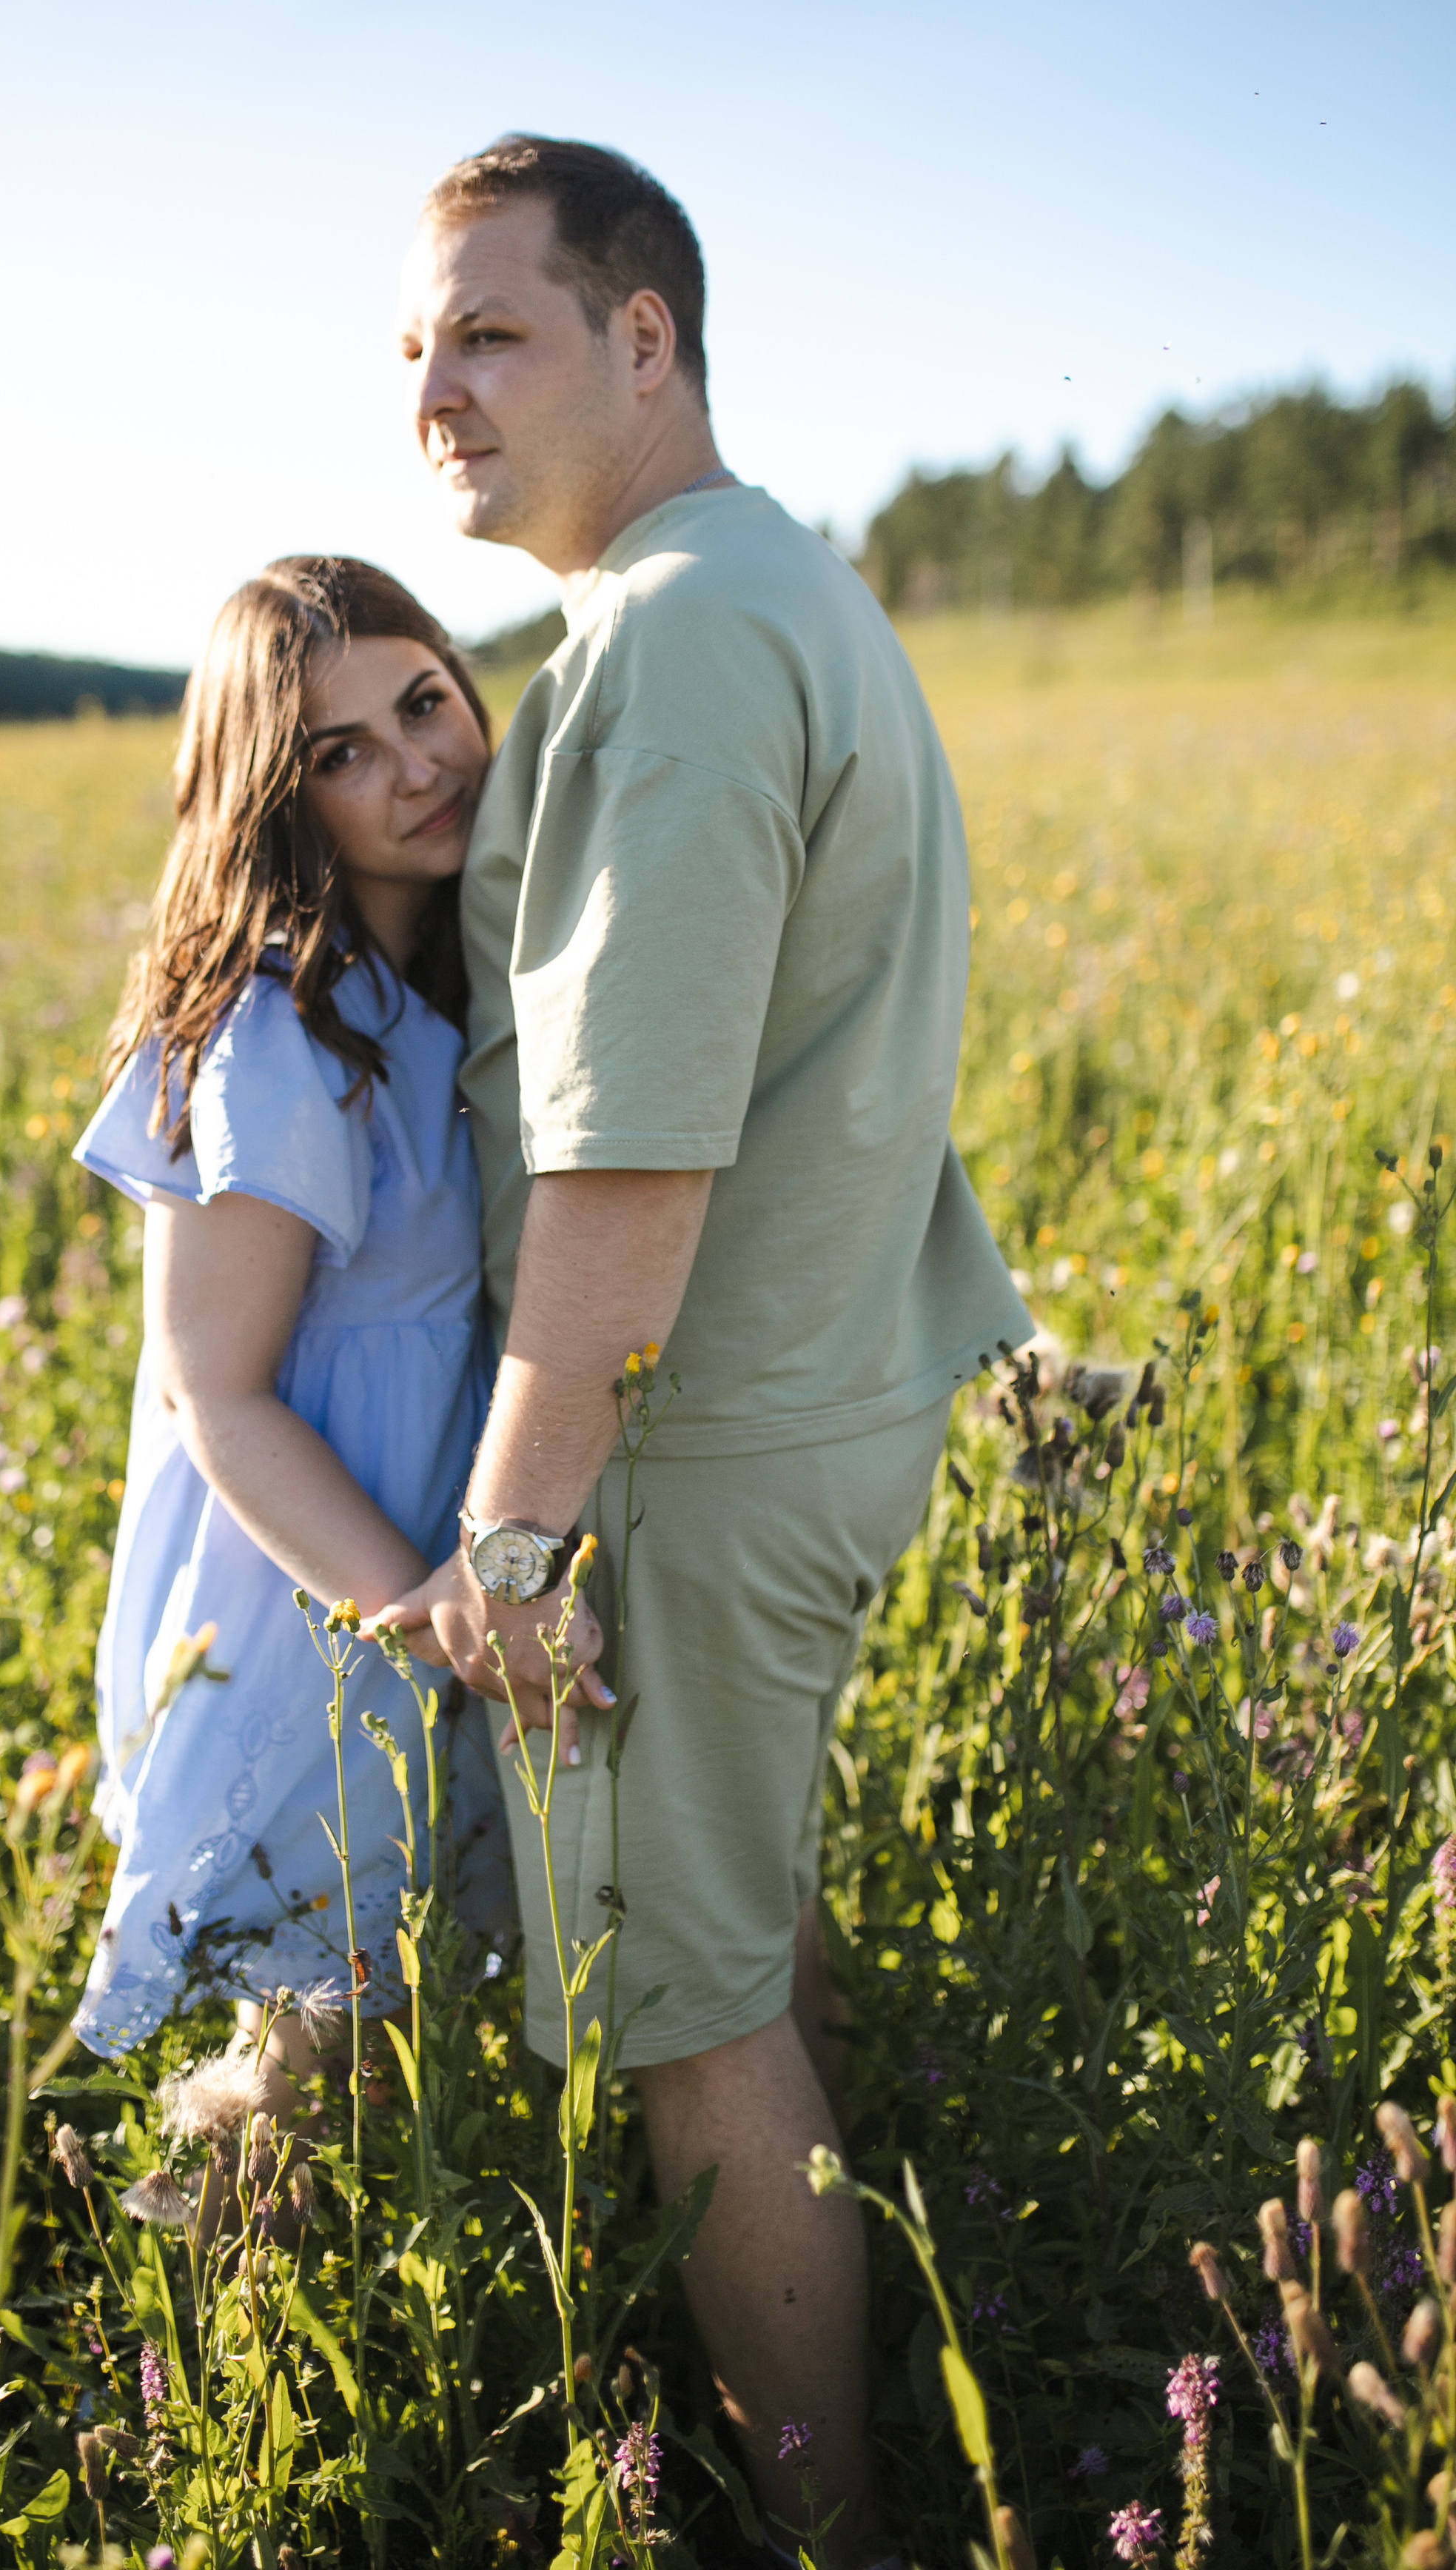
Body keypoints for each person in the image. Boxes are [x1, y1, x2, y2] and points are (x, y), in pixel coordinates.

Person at [372, 137, 1034, 2569]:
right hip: (807, 1397)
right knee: (740, 1943)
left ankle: (832, 2535)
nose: (436, 391)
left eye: (493, 330)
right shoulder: (779, 590)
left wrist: (514, 1533)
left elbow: (630, 1150)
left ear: (645, 338)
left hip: (689, 1448)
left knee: (691, 2025)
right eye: (415, 347)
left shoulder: (668, 636)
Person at [68, 555, 511, 2087]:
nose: (417, 767)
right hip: (318, 1588)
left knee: (390, 2022)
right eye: (342, 755)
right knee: (309, 2045)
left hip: (429, 1552)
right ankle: (205, 2247)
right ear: (275, 798)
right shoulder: (277, 1024)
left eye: (425, 704)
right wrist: (421, 1614)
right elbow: (216, 1391)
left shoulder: (433, 976)